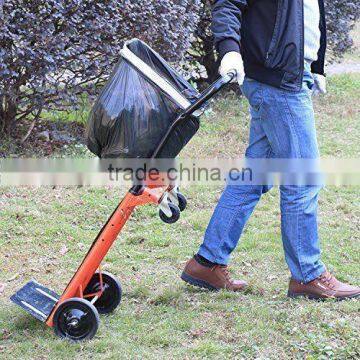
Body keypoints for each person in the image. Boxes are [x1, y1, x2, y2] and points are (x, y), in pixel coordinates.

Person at [181, 0, 360, 300]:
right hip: (278, 83)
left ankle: (207, 262)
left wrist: (316, 66)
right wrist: (229, 51)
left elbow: (308, 11)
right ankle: (308, 274)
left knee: (253, 178)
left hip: (288, 76)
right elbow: (227, 4)